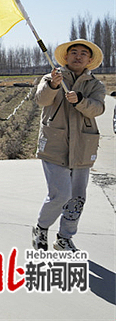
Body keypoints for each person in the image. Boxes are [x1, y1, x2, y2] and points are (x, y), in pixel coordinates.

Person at [32, 39, 105, 252]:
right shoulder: (52, 77)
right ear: (66, 56)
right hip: (55, 145)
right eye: (74, 52)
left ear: (90, 60)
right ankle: (41, 228)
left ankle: (64, 238)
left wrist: (80, 100)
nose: (78, 56)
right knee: (60, 195)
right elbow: (41, 100)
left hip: (83, 146)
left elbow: (98, 108)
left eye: (84, 53)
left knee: (77, 198)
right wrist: (54, 86)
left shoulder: (95, 85)